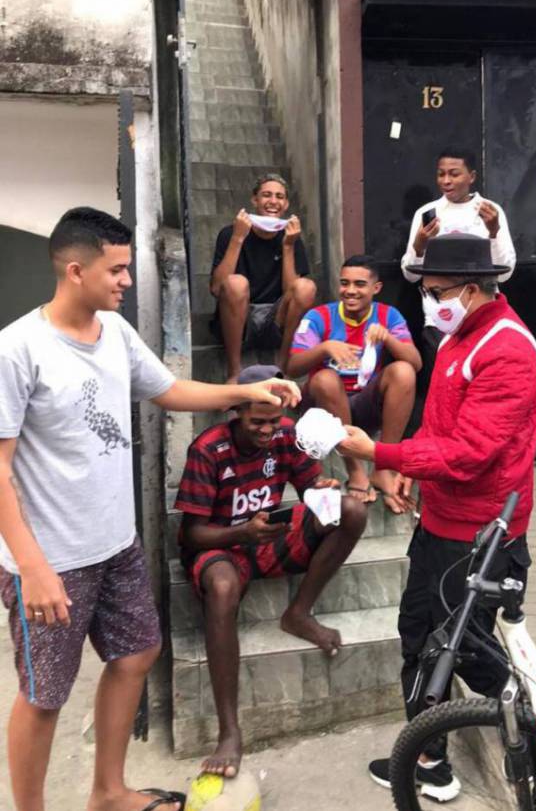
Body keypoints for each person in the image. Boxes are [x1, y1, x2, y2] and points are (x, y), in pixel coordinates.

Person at [0, 208, 301, 811]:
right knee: (44, 695)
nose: (126, 281)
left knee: (137, 653)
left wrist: (246, 390)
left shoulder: (115, 333)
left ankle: (108, 792)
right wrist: (31, 565)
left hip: (117, 544)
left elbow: (168, 390)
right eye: (116, 270)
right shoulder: (17, 350)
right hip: (53, 559)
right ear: (76, 270)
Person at [339, 234, 536, 802]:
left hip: (479, 532)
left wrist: (381, 454)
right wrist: (415, 468)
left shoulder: (507, 350)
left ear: (472, 289)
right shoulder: (459, 336)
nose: (428, 303)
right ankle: (429, 758)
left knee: (471, 653)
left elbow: (470, 452)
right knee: (419, 637)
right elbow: (441, 425)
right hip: (441, 521)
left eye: (434, 292)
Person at [175, 364, 367, 780]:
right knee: (223, 586)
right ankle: (229, 731)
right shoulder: (208, 449)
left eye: (273, 421)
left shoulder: (285, 436)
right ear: (237, 412)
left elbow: (308, 485)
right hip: (223, 545)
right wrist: (243, 532)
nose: (267, 430)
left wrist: (322, 493)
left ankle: (298, 612)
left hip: (268, 538)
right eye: (256, 421)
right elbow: (190, 535)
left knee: (350, 510)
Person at [286, 254, 422, 509]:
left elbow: (416, 364)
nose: (350, 291)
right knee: (326, 378)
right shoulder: (319, 316)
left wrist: (388, 339)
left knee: (403, 371)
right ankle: (356, 469)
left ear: (376, 288)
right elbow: (292, 368)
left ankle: (384, 467)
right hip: (322, 409)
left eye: (359, 284)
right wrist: (324, 348)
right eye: (344, 283)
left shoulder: (387, 315)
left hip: (364, 404)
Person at [401, 147, 516, 380]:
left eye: (454, 174)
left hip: (483, 315)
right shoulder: (427, 213)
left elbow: (505, 273)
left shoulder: (490, 212)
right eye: (441, 174)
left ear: (471, 176)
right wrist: (419, 245)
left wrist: (493, 232)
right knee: (444, 385)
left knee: (482, 381)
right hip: (439, 319)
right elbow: (410, 275)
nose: (446, 181)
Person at [209, 173, 317, 381]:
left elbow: (293, 293)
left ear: (286, 204)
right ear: (254, 200)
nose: (273, 202)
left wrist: (288, 245)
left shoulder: (292, 237)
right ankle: (234, 372)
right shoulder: (230, 234)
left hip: (275, 320)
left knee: (306, 286)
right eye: (266, 195)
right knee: (235, 283)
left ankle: (285, 365)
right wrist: (238, 237)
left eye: (280, 197)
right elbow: (216, 288)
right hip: (239, 321)